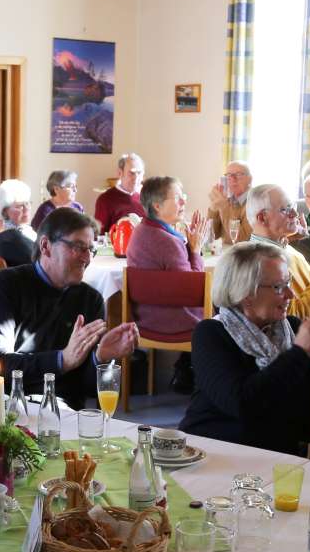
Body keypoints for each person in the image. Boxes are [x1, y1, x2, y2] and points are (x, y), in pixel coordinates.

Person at [181, 241, 310, 454]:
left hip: (276, 458)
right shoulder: (211, 334)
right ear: (246, 294)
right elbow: (243, 404)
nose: (290, 295)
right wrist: (299, 353)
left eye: (289, 283)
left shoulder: (292, 328)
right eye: (279, 287)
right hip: (210, 451)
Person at [0, 206, 138, 408]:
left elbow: (86, 391)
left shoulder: (90, 300)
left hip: (61, 413)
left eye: (90, 249)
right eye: (78, 247)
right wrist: (62, 360)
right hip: (5, 409)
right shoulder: (4, 285)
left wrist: (101, 358)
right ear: (46, 246)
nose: (87, 258)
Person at [126, 175, 208, 393]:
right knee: (223, 311)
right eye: (178, 198)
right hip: (172, 320)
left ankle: (185, 370)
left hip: (144, 316)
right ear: (157, 205)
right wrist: (196, 250)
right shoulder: (168, 241)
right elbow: (194, 290)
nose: (183, 203)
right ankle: (200, 382)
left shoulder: (140, 231)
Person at [244, 183, 310, 320]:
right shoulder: (264, 263)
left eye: (293, 207)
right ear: (262, 218)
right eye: (285, 209)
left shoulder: (285, 247)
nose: (295, 214)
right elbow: (293, 318)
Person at [92, 152, 146, 231]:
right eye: (132, 173)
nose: (136, 178)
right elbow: (99, 234)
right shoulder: (105, 199)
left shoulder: (147, 198)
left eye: (139, 173)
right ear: (120, 173)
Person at [0, 178, 38, 268]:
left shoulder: (25, 230)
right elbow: (41, 263)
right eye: (19, 206)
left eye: (28, 203)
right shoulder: (10, 237)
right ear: (4, 211)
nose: (26, 209)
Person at [206, 160, 252, 246]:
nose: (233, 179)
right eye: (229, 175)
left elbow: (242, 242)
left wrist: (224, 208)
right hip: (226, 254)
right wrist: (213, 208)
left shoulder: (255, 202)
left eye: (239, 174)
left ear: (250, 179)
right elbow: (210, 236)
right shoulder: (226, 200)